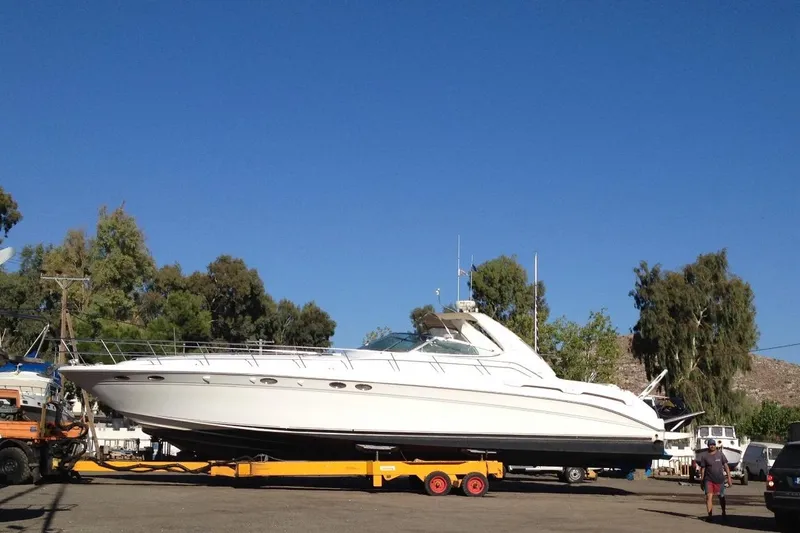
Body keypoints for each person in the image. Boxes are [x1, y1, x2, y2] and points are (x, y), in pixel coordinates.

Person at [698, 438, 732, 522]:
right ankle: (710, 516)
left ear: (715, 445)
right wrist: (702, 481)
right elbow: (703, 469)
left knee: (721, 497)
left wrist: (729, 478)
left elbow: (726, 466)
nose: (712, 446)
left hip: (719, 479)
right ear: (708, 446)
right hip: (708, 479)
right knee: (708, 496)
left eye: (713, 444)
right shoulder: (704, 456)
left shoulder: (720, 455)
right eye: (710, 445)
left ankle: (723, 512)